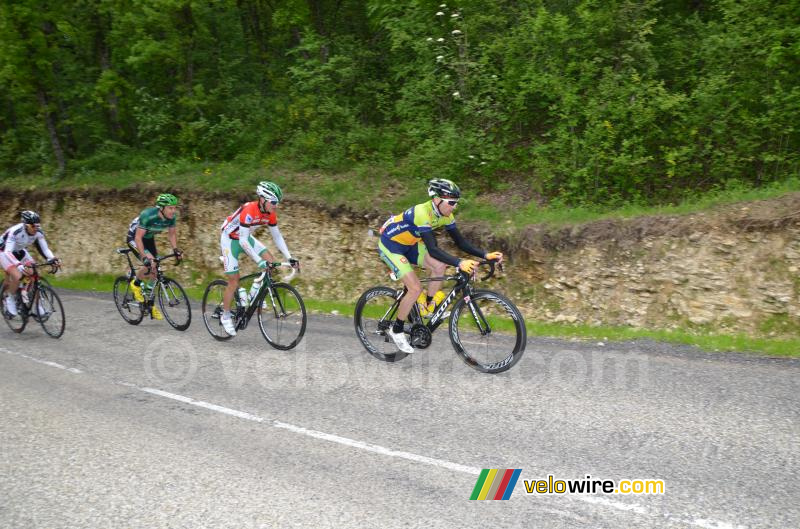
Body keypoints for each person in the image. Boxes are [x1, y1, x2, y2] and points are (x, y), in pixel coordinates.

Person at [378, 178, 504, 353]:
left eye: (456, 203)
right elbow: (433, 249)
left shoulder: (445, 216)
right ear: (437, 199)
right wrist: (460, 262)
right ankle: (397, 329)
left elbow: (460, 242)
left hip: (410, 244)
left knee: (440, 267)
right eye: (451, 202)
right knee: (414, 288)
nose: (454, 207)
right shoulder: (423, 213)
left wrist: (485, 254)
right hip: (391, 245)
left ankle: (427, 307)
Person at [218, 181, 298, 336]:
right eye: (274, 202)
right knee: (234, 281)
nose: (276, 205)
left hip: (245, 237)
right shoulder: (249, 210)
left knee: (271, 261)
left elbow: (277, 236)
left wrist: (289, 257)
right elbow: (242, 240)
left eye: (278, 202)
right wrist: (259, 261)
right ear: (263, 199)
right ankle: (225, 315)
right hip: (230, 239)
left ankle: (254, 292)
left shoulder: (270, 213)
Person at [126, 193, 183, 320]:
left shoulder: (171, 217)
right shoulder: (148, 215)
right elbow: (138, 238)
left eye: (175, 208)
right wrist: (145, 258)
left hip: (148, 238)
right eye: (170, 208)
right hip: (135, 238)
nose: (173, 211)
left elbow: (172, 234)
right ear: (161, 208)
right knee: (151, 262)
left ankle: (148, 301)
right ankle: (135, 284)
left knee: (156, 268)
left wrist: (176, 250)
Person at [0, 210, 61, 317]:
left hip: (20, 250)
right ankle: (9, 297)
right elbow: (8, 252)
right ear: (26, 225)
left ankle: (38, 306)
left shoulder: (38, 231)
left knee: (34, 274)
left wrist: (52, 258)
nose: (35, 228)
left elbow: (45, 249)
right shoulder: (16, 231)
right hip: (4, 252)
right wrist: (18, 265)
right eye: (33, 226)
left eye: (37, 226)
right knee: (18, 276)